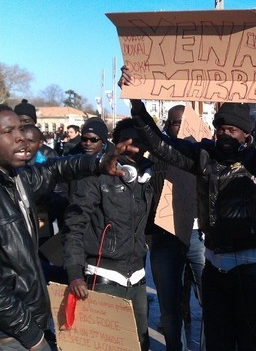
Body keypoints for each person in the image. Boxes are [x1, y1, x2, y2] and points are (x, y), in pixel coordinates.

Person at [122, 65, 256, 350]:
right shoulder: (203, 157)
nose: (225, 134)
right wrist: (136, 103)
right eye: (220, 128)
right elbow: (161, 145)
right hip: (215, 268)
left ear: (245, 135)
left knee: (250, 340)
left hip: (251, 270)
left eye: (232, 129)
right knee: (218, 339)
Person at [0, 104, 135, 351]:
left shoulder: (17, 178)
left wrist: (99, 162)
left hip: (30, 323)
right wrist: (31, 336)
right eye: (8, 131)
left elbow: (56, 168)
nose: (20, 137)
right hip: (12, 335)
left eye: (20, 128)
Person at [62, 118, 153, 351]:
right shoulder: (95, 175)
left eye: (139, 142)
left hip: (137, 279)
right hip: (102, 277)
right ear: (116, 143)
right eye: (127, 142)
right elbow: (75, 224)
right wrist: (74, 273)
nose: (134, 147)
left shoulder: (148, 178)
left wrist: (135, 101)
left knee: (140, 344)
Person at [146, 104, 205, 350]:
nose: (179, 128)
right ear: (167, 126)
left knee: (210, 301)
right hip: (165, 235)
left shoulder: (204, 154)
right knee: (169, 306)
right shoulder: (156, 157)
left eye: (184, 122)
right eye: (174, 123)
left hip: (197, 237)